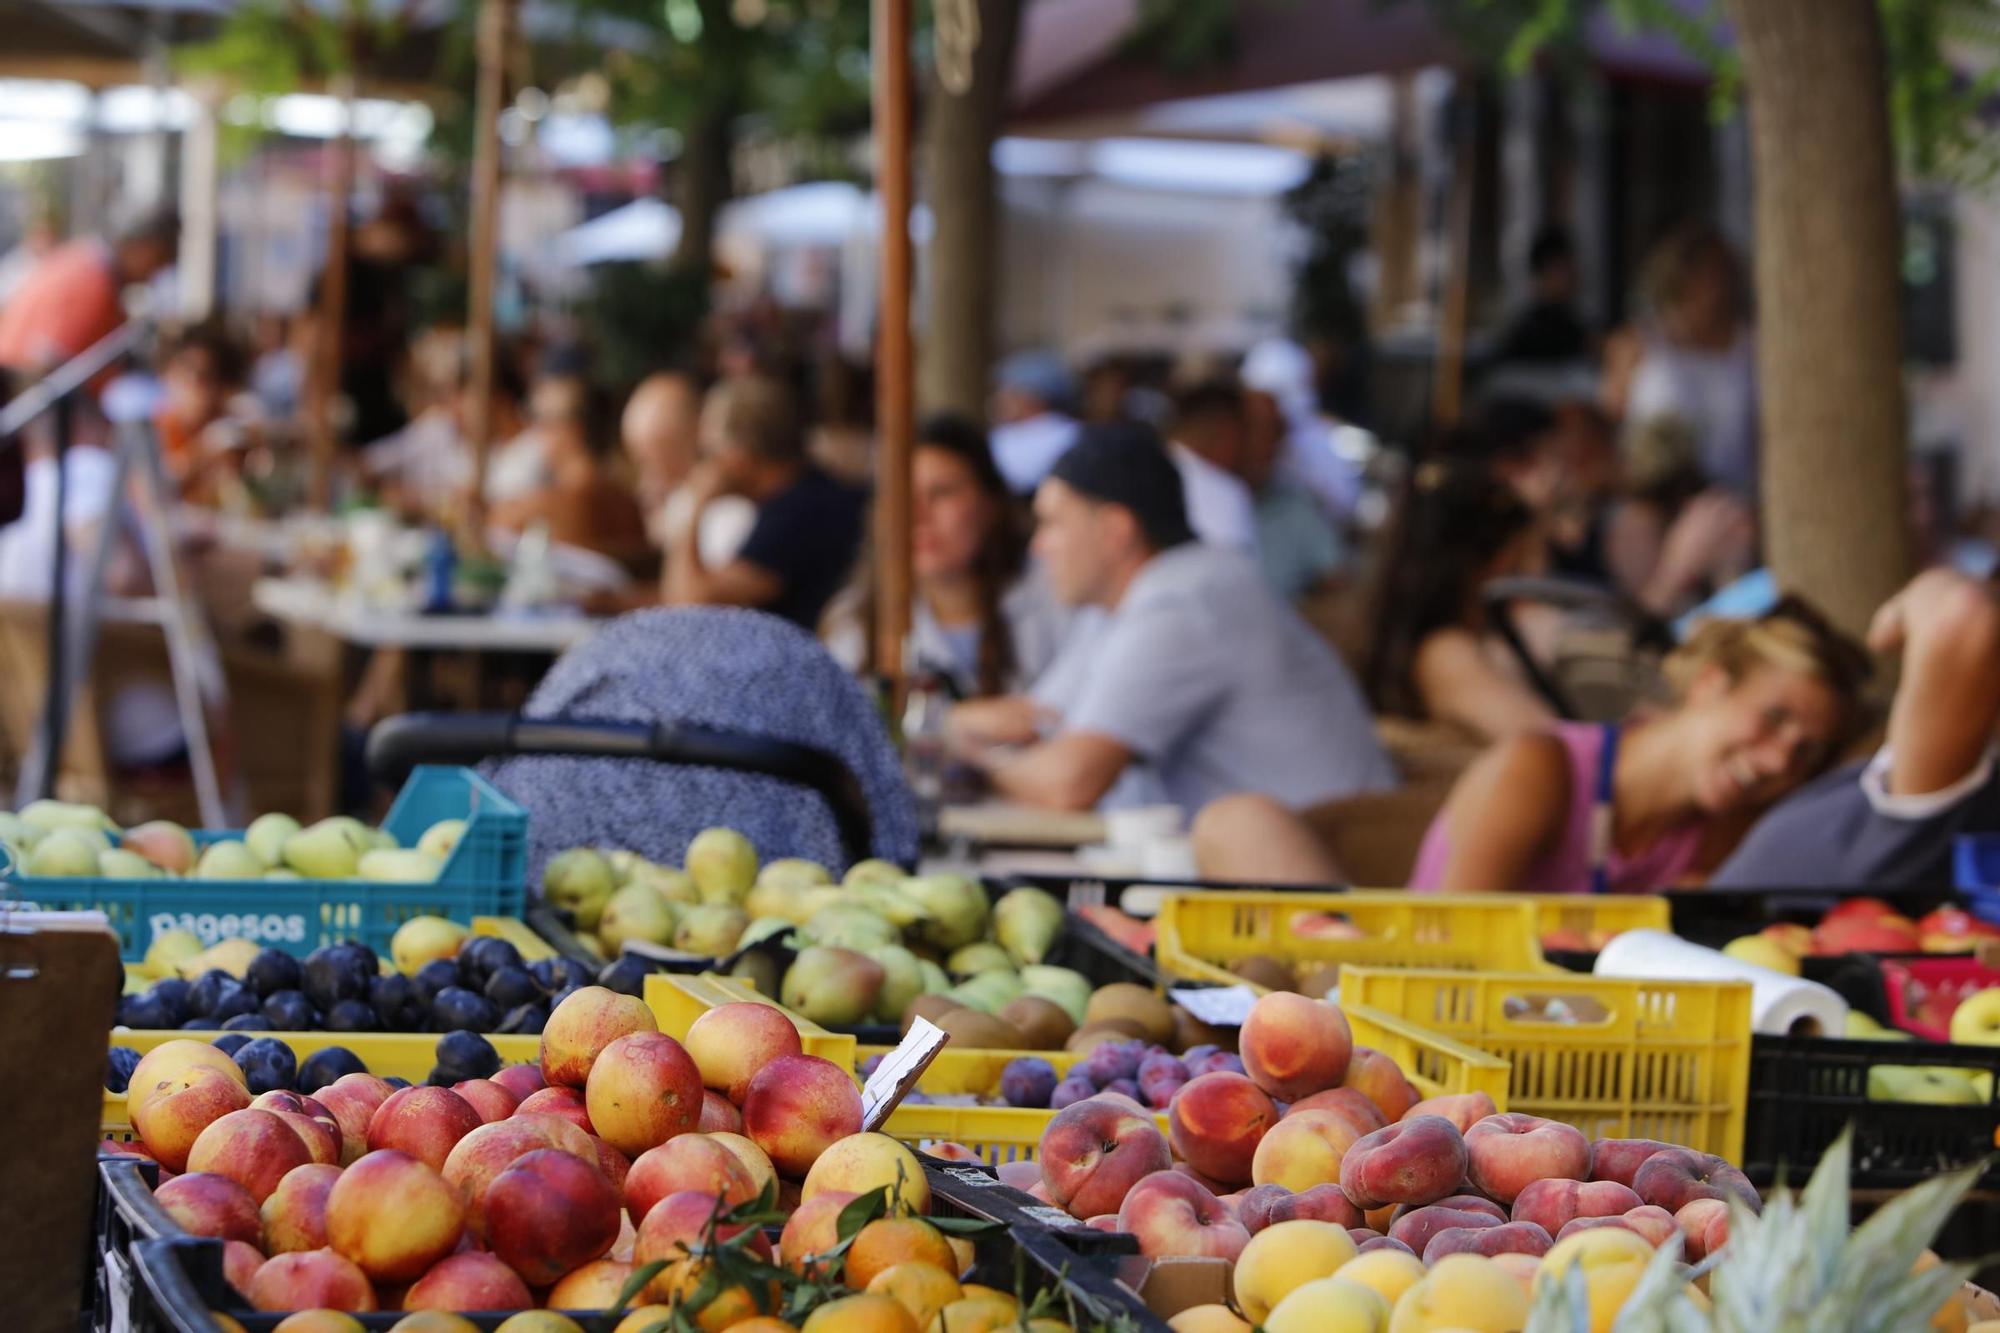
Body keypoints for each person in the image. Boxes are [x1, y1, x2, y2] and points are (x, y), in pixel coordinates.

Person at [947, 421, 1395, 814]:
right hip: (1269, 871)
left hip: (1327, 881)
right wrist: (958, 727)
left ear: (1115, 531)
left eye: (1053, 523)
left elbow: (1068, 783)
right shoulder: (1123, 601)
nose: (1038, 546)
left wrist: (973, 761)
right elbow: (1035, 721)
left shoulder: (1186, 598)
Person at [1408, 600, 1866, 893]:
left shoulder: (1726, 835)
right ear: (1710, 682)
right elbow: (1453, 941)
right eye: (1772, 718)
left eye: (1804, 752)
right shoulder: (1539, 769)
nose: (1778, 761)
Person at [484, 607, 919, 878]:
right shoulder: (803, 674)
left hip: (557, 930)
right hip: (792, 952)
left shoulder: (607, 656)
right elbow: (890, 841)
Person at [1713, 569, 2000, 888]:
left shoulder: (1940, 777)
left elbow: (1963, 618)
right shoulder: (1927, 768)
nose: (1779, 759)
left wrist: (1895, 615)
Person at [1366, 463, 1554, 742]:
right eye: (1525, 560)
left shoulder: (1423, 645)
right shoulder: (1446, 652)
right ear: (1496, 564)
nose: (1537, 577)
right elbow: (1553, 748)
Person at [662, 373, 866, 630]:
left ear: (739, 457)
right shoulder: (811, 493)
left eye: (712, 451)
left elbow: (687, 604)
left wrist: (695, 504)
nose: (707, 464)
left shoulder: (796, 513)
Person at [907, 413, 1065, 697]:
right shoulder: (856, 628)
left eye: (942, 493)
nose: (920, 516)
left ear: (990, 504)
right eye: (905, 498)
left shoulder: (1056, 597)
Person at [1602, 224, 1758, 497]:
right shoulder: (1635, 344)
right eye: (1703, 276)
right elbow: (1609, 425)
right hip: (1655, 499)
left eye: (1721, 275)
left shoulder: (1754, 345)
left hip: (1737, 501)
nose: (1714, 288)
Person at [488, 374, 650, 570]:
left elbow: (488, 530)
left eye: (540, 418)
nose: (533, 430)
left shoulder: (548, 505)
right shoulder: (628, 503)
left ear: (574, 429)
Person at [0, 208, 178, 378]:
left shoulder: (84, 259)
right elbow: (46, 368)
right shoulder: (94, 284)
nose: (160, 270)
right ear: (144, 247)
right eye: (163, 257)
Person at [1165, 380, 1258, 552]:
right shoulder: (1225, 492)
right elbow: (1232, 574)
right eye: (1247, 434)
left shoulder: (1136, 472)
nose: (1252, 447)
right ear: (1229, 432)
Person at [1493, 226, 1592, 366]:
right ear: (1546, 272)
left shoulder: (1572, 325)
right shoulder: (1532, 333)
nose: (1574, 275)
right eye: (1564, 268)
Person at [987, 350, 1081, 494]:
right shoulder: (1002, 435)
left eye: (1011, 392)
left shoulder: (1068, 435)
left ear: (1033, 396)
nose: (1001, 398)